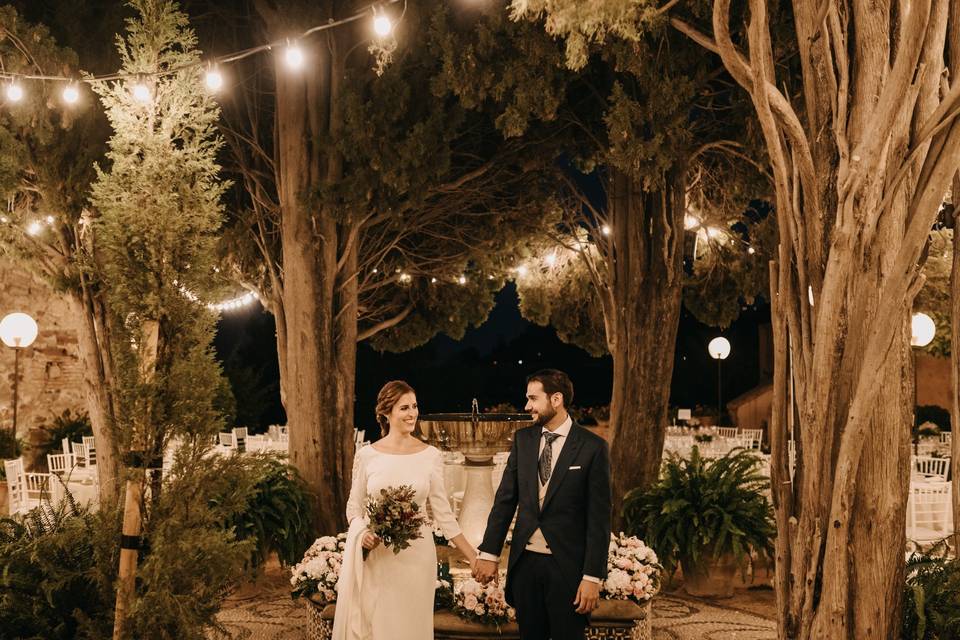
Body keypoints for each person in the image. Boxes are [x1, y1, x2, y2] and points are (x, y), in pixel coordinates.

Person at [472, 369, 611, 640]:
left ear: (556, 399)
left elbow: (599, 518)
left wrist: (592, 576)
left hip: (567, 568)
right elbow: (504, 501)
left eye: (533, 398)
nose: (527, 406)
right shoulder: (523, 441)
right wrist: (489, 554)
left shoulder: (592, 447)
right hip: (525, 566)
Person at [333, 380, 477, 640]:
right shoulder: (367, 456)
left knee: (412, 627)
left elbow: (444, 515)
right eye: (404, 408)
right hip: (379, 556)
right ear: (386, 413)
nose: (412, 413)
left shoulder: (430, 455)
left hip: (417, 558)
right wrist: (362, 533)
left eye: (414, 406)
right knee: (378, 625)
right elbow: (354, 507)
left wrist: (474, 556)